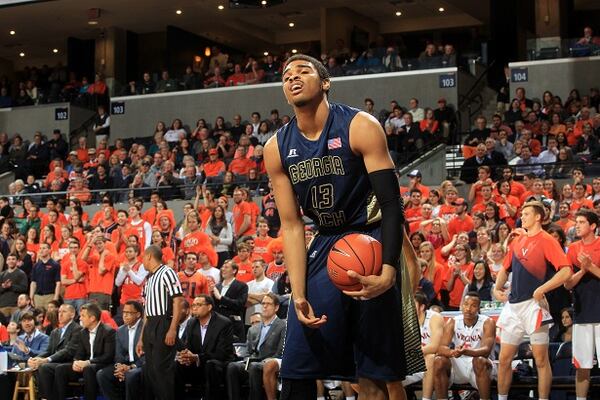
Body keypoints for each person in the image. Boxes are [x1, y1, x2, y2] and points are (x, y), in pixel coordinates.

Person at [264, 54, 423, 399]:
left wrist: (388, 270)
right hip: (325, 241)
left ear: (325, 83)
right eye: (287, 75)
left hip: (369, 235)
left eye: (303, 71)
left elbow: (391, 203)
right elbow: (292, 227)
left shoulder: (359, 126)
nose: (293, 77)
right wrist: (299, 292)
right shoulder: (276, 147)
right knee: (297, 363)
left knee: (376, 374)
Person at [494, 201, 573, 400]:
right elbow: (505, 268)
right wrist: (496, 288)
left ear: (538, 217)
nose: (523, 216)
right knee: (504, 359)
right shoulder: (517, 240)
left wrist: (542, 289)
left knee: (540, 360)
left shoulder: (546, 240)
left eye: (527, 213)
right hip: (513, 307)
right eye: (522, 213)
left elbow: (566, 271)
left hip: (534, 306)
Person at [137, 245, 184, 400]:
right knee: (150, 371)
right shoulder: (149, 279)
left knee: (161, 369)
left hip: (163, 322)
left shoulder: (167, 272)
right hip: (150, 324)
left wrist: (172, 329)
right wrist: (141, 338)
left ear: (150, 256)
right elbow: (146, 312)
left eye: (143, 257)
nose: (142, 260)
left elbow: (178, 300)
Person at [564, 210, 600, 400]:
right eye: (576, 222)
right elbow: (567, 283)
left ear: (593, 226)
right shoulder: (573, 248)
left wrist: (590, 267)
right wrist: (582, 271)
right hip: (582, 313)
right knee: (582, 366)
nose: (577, 225)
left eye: (581, 222)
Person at [434, 292, 496, 400]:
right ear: (462, 305)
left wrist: (466, 351)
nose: (468, 308)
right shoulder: (453, 321)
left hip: (479, 366)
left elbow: (486, 350)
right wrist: (452, 352)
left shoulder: (488, 322)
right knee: (438, 360)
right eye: (466, 304)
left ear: (478, 308)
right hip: (459, 363)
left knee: (480, 360)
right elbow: (441, 348)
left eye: (473, 305)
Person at [226, 293, 286, 400]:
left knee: (255, 367)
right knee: (232, 366)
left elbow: (280, 352)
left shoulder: (283, 325)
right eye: (263, 303)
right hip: (253, 361)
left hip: (269, 363)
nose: (264, 306)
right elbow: (248, 352)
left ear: (276, 307)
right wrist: (246, 360)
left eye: (268, 304)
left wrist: (265, 362)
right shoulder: (253, 328)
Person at [176, 294, 235, 400]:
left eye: (198, 304)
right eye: (193, 305)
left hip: (218, 364)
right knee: (177, 364)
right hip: (197, 363)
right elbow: (188, 346)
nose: (194, 307)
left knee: (210, 365)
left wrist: (197, 357)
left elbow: (222, 353)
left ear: (209, 307)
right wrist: (185, 356)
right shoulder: (191, 323)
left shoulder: (224, 323)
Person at [54, 302, 116, 400]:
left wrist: (87, 362)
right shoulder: (83, 332)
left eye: (83, 316)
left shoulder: (108, 332)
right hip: (86, 365)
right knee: (60, 369)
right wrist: (76, 362)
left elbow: (108, 356)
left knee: (89, 369)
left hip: (102, 364)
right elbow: (79, 353)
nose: (80, 318)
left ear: (92, 318)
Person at [30, 304, 83, 400]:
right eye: (59, 312)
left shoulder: (77, 329)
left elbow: (68, 351)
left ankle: (47, 398)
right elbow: (48, 351)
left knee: (45, 366)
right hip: (55, 363)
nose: (60, 314)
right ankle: (45, 397)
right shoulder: (55, 332)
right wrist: (36, 359)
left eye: (64, 312)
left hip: (69, 363)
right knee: (39, 365)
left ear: (72, 315)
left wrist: (46, 360)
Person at [97, 300, 144, 400]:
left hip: (141, 365)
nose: (125, 316)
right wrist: (120, 367)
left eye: (129, 313)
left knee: (131, 375)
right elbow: (119, 355)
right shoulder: (120, 330)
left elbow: (148, 355)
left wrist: (132, 367)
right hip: (126, 365)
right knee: (102, 374)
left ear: (138, 314)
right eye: (124, 312)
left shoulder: (145, 329)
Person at [402, 292, 443, 400]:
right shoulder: (403, 319)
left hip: (434, 362)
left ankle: (426, 398)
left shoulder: (435, 318)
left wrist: (410, 352)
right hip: (411, 361)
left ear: (422, 307)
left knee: (430, 357)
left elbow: (434, 347)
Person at [212, 260, 248, 341]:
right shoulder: (217, 286)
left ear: (234, 270)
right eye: (222, 267)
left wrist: (221, 298)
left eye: (226, 267)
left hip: (233, 326)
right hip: (217, 325)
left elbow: (240, 304)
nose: (223, 269)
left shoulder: (242, 286)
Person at [30, 242, 61, 310]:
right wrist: (31, 296)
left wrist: (56, 297)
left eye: (44, 248)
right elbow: (33, 282)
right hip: (37, 297)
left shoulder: (55, 265)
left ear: (50, 250)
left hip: (50, 296)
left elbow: (58, 283)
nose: (41, 250)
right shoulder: (36, 265)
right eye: (40, 248)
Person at [0, 253, 28, 320]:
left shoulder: (21, 274)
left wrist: (11, 286)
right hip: (2, 305)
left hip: (15, 306)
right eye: (9, 259)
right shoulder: (2, 275)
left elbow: (24, 288)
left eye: (13, 259)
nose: (11, 261)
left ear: (17, 261)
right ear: (6, 261)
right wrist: (3, 287)